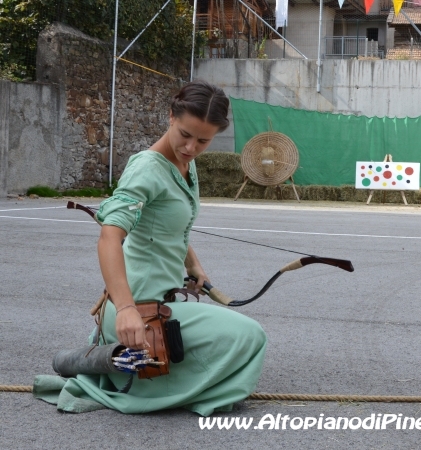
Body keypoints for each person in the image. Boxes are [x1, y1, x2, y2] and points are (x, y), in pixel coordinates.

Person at [34, 80, 267, 416]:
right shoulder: (146, 168)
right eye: (185, 134)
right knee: (251, 336)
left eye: (203, 140)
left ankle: (168, 380)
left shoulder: (186, 164)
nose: (190, 146)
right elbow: (109, 236)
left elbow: (174, 226)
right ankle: (151, 383)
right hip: (139, 308)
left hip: (163, 299)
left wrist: (194, 266)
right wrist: (126, 308)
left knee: (235, 341)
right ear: (171, 115)